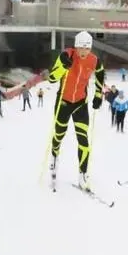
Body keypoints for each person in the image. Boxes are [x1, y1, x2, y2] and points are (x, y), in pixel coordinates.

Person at [47, 31, 105, 191]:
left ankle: (83, 173)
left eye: (87, 48)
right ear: (76, 46)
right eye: (81, 48)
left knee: (84, 140)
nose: (84, 51)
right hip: (64, 101)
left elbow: (100, 74)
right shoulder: (66, 55)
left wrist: (98, 95)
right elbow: (51, 78)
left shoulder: (94, 60)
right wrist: (62, 67)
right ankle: (54, 157)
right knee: (59, 134)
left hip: (80, 103)